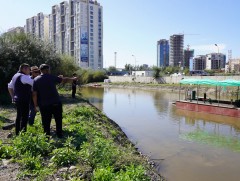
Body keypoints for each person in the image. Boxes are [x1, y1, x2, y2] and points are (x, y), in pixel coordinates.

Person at [32, 64, 77, 138]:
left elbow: (34, 94)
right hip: (56, 103)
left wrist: (35, 105)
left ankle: (46, 136)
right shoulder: (51, 77)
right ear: (47, 70)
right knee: (58, 119)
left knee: (45, 121)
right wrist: (73, 79)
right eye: (49, 70)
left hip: (44, 104)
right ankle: (59, 134)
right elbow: (64, 80)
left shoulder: (36, 80)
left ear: (40, 70)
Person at [8, 63, 34, 135]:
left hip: (17, 99)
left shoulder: (15, 76)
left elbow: (9, 87)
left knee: (18, 116)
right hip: (24, 99)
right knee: (24, 117)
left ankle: (17, 133)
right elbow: (34, 83)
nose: (30, 71)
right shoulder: (24, 77)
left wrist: (13, 97)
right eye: (29, 69)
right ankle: (23, 134)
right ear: (24, 69)